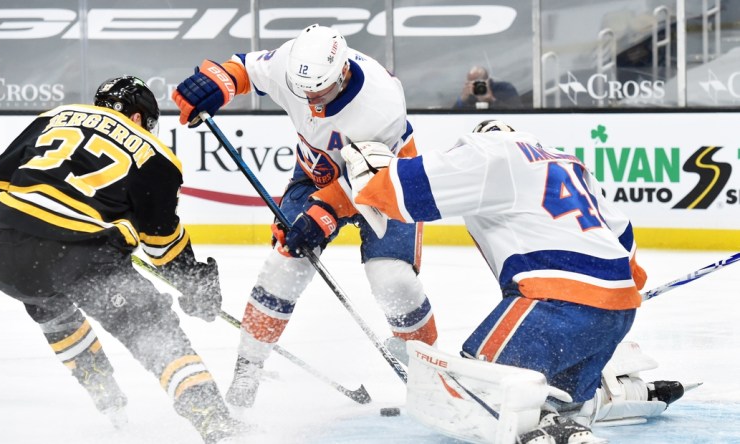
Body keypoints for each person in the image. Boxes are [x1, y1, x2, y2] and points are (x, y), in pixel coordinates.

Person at [338, 120, 687, 442]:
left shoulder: (494, 152)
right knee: (556, 403)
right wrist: (612, 296)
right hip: (618, 309)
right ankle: (606, 399)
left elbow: (410, 190)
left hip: (553, 304)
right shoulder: (569, 164)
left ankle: (541, 427)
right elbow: (623, 237)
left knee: (480, 393)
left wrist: (371, 172)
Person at [172, 23, 439, 408]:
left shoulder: (380, 103)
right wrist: (217, 83)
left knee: (392, 280)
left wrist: (323, 216)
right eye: (304, 92)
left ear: (343, 72)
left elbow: (366, 184)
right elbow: (245, 68)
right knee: (284, 267)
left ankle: (430, 375)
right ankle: (247, 372)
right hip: (315, 175)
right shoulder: (292, 63)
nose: (312, 100)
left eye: (322, 91)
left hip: (389, 179)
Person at [0, 76, 243, 443]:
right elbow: (162, 247)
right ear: (139, 118)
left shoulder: (57, 115)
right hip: (80, 259)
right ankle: (214, 421)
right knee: (154, 329)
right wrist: (194, 282)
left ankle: (106, 398)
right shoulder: (155, 155)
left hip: (3, 255)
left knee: (46, 297)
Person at [453, 66, 521, 110]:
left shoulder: (504, 88)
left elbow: (517, 111)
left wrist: (492, 100)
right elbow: (452, 118)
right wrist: (462, 100)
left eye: (478, 82)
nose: (475, 86)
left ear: (487, 80)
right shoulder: (469, 95)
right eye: (471, 83)